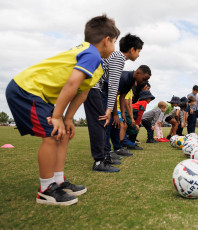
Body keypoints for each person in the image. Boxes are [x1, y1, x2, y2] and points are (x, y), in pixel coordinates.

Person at [5, 15, 119, 205]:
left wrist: (67, 119)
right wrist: (57, 116)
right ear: (107, 40)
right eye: (114, 42)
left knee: (63, 133)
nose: (114, 47)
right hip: (26, 89)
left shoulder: (96, 63)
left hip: (40, 95)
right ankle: (46, 190)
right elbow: (72, 84)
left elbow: (81, 93)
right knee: (51, 134)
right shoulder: (91, 54)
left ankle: (57, 181)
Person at [99, 34, 144, 161]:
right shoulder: (119, 57)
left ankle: (113, 149)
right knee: (106, 123)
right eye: (138, 51)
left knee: (114, 123)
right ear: (132, 50)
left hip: (103, 90)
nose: (139, 54)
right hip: (100, 89)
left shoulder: (118, 58)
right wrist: (111, 111)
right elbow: (112, 85)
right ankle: (105, 153)